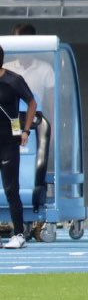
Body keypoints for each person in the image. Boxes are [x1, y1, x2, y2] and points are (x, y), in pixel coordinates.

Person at [0, 46, 36, 249]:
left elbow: (32, 102)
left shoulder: (13, 80)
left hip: (8, 141)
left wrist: (26, 130)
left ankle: (19, 233)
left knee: (10, 188)